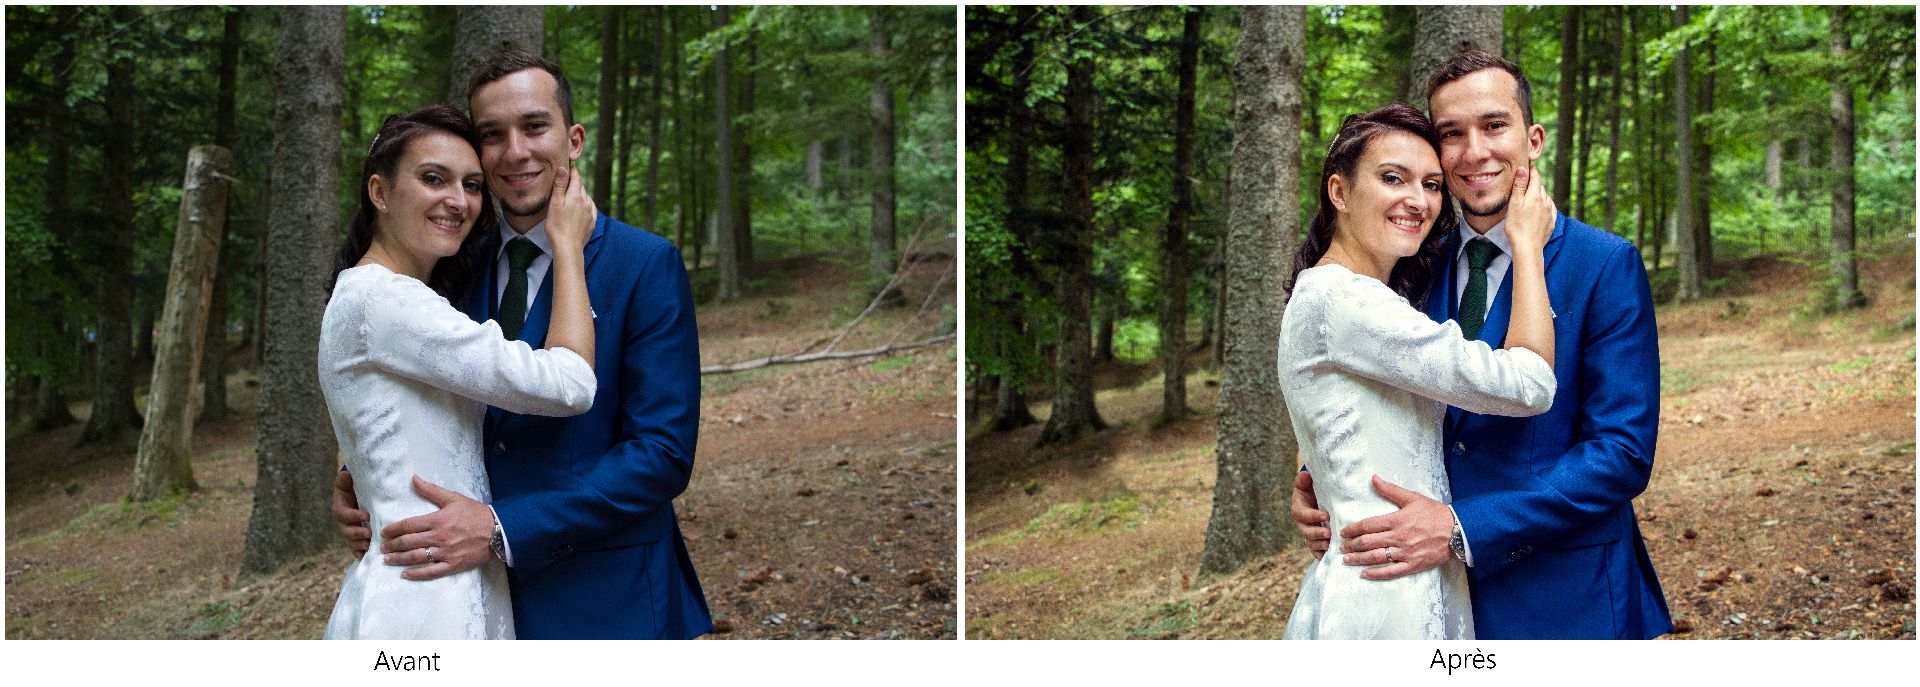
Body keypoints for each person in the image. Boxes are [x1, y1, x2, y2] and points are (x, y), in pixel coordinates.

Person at [331, 51, 713, 639]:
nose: (515, 151)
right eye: (492, 135)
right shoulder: (450, 260)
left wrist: (503, 527)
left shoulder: (645, 264)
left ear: (573, 139)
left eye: (534, 126)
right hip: (469, 600)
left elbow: (661, 454)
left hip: (609, 599)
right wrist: (360, 483)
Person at [1291, 51, 1673, 639]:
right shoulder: (1410, 260)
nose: (1475, 152)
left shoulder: (1604, 264)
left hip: (1565, 598)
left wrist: (1462, 527)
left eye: (1494, 125)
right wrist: (1319, 481)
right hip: (1429, 600)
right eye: (1452, 134)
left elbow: (1621, 453)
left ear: (1533, 138)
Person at [1278, 104, 1558, 640]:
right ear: (1340, 193)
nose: (1419, 200)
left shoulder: (1335, 295)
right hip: (1388, 595)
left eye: (1432, 184)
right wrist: (1526, 245)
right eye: (1392, 178)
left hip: (1405, 574)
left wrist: (1317, 479)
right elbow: (1529, 385)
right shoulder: (1346, 299)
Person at [320, 104, 600, 639]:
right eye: (433, 179)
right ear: (379, 193)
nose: (459, 200)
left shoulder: (376, 295)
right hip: (427, 599)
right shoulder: (386, 299)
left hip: (446, 576)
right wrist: (567, 245)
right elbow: (570, 385)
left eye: (472, 185)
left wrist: (357, 476)